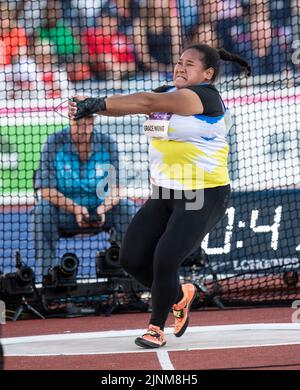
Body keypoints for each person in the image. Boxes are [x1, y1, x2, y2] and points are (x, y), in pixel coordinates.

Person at [69, 43, 251, 348]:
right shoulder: (165, 90)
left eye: (189, 64)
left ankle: (156, 327)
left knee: (165, 259)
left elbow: (148, 100)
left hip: (203, 193)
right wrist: (93, 106)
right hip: (165, 192)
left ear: (207, 74)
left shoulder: (205, 97)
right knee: (131, 258)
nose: (180, 67)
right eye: (179, 62)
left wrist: (97, 102)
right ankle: (181, 296)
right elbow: (140, 104)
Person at [32, 115, 136, 282]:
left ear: (94, 120)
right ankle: (47, 277)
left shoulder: (108, 143)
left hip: (102, 212)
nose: (84, 126)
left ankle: (129, 275)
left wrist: (102, 209)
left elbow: (118, 189)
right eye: (79, 121)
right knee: (41, 210)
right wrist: (76, 209)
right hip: (65, 214)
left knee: (127, 208)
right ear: (70, 119)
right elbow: (46, 190)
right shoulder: (54, 142)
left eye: (88, 120)